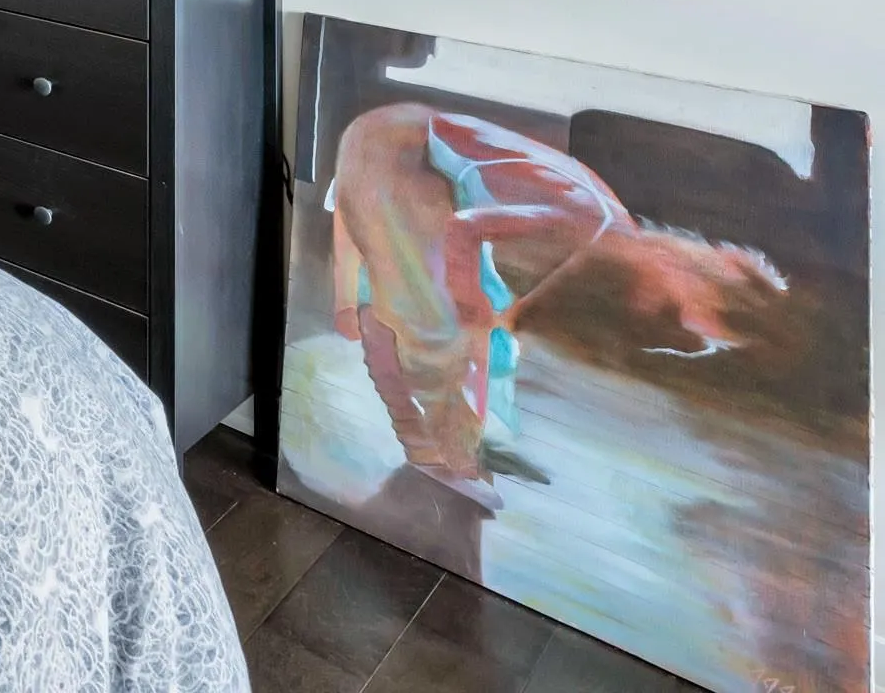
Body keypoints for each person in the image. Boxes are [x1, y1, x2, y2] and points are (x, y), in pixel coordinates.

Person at [328, 102, 787, 507]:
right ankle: (433, 455)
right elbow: (466, 230)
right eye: (672, 310)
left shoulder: (611, 241)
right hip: (399, 149)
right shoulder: (588, 224)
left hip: (429, 171)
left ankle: (468, 444)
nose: (666, 325)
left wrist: (490, 321)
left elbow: (505, 293)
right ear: (682, 270)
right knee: (437, 324)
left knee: (490, 338)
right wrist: (470, 313)